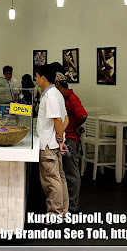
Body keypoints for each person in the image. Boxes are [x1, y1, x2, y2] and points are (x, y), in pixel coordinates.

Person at [35, 63, 69, 216]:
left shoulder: (50, 96)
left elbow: (58, 120)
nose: (36, 79)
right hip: (53, 142)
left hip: (49, 144)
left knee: (51, 181)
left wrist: (60, 139)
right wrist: (60, 136)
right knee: (59, 178)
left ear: (43, 78)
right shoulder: (56, 93)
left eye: (37, 76)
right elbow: (66, 118)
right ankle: (63, 211)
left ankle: (55, 213)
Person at [55, 72, 88, 213]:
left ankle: (73, 205)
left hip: (71, 140)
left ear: (57, 85)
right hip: (66, 138)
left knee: (72, 173)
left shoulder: (72, 98)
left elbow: (83, 115)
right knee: (66, 172)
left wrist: (74, 127)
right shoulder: (64, 98)